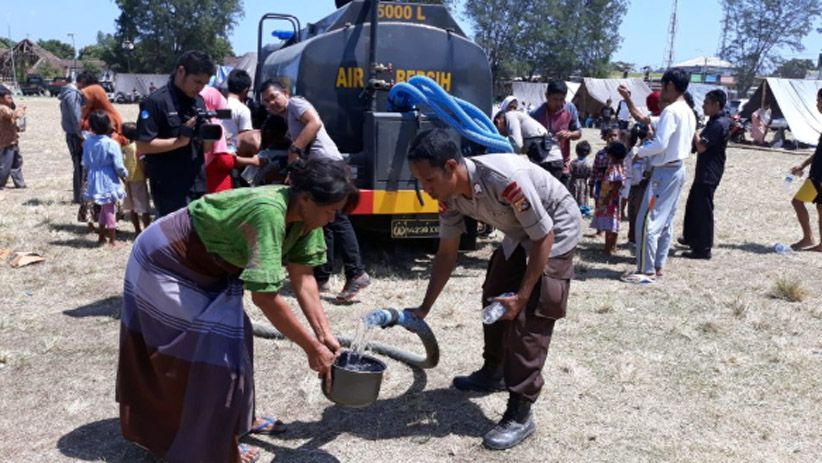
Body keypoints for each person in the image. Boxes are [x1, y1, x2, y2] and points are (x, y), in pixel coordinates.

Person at [117, 157, 356, 463]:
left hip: (209, 266)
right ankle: (214, 441)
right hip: (166, 261)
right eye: (330, 211)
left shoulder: (309, 218)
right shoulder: (268, 212)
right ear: (307, 198)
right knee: (212, 355)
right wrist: (311, 348)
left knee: (238, 337)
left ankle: (240, 420)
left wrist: (324, 335)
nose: (332, 219)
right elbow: (265, 298)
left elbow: (304, 277)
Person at [406, 129, 581, 450]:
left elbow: (544, 237)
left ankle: (520, 412)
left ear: (450, 167)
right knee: (495, 294)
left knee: (530, 315)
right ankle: (494, 371)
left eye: (428, 180)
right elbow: (447, 253)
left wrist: (522, 297)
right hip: (520, 231)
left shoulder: (503, 180)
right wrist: (425, 307)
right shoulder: (448, 196)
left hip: (555, 227)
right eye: (420, 181)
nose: (425, 189)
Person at [259, 79, 370, 302]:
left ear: (285, 93)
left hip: (328, 165)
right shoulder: (288, 117)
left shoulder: (296, 104)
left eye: (273, 97)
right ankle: (321, 276)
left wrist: (294, 149)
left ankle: (356, 273)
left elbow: (315, 123)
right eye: (266, 102)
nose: (271, 103)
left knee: (337, 219)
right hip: (319, 167)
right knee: (323, 222)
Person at [622, 68, 696, 284]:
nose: (661, 91)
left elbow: (661, 143)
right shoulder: (688, 111)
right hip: (677, 169)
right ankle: (658, 265)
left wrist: (639, 152)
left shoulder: (671, 111)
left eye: (662, 86)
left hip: (664, 172)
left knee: (648, 220)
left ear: (670, 85)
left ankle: (646, 271)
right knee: (665, 220)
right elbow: (650, 123)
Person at [136, 50, 213, 217]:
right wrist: (179, 142)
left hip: (197, 183)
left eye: (204, 84)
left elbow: (205, 149)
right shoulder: (156, 102)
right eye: (197, 81)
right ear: (181, 71)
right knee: (175, 232)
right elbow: (142, 145)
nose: (200, 88)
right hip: (169, 187)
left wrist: (208, 136)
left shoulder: (198, 101)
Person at [679, 89, 731, 259]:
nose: (703, 106)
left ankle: (703, 248)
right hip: (705, 170)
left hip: (709, 172)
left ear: (716, 104)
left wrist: (693, 130)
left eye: (707, 103)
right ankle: (691, 238)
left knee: (703, 209)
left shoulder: (718, 124)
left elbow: (701, 147)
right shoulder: (716, 121)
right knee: (694, 204)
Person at [200, 86, 259, 193]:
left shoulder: (196, 123)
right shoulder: (215, 125)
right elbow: (224, 161)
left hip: (200, 181)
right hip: (217, 185)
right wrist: (251, 161)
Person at [82, 111, 128, 246]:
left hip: (94, 177)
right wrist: (125, 174)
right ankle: (112, 240)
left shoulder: (88, 142)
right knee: (110, 210)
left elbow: (86, 162)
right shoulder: (111, 144)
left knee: (104, 208)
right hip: (108, 178)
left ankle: (102, 236)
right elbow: (119, 166)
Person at [530, 81, 582, 188]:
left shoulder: (570, 108)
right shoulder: (536, 114)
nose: (558, 103)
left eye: (562, 99)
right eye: (555, 99)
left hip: (563, 164)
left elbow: (578, 133)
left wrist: (569, 134)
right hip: (542, 164)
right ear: (546, 96)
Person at [787, 88, 822, 252]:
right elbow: (819, 152)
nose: (816, 104)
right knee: (818, 208)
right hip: (816, 174)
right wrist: (803, 165)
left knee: (798, 202)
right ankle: (814, 241)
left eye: (818, 101)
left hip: (819, 176)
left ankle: (809, 239)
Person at [493, 108, 560, 176]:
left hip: (549, 162)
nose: (501, 135)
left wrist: (500, 158)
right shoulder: (521, 122)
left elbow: (517, 144)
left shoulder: (510, 115)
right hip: (552, 160)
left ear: (498, 122)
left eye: (498, 131)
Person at [591, 141, 627, 254]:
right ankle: (612, 247)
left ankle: (608, 248)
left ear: (611, 155)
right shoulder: (618, 167)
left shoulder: (614, 168)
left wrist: (608, 197)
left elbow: (617, 184)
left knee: (610, 225)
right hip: (611, 199)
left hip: (610, 201)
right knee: (612, 225)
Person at [120, 122, 152, 235]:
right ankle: (147, 231)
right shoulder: (139, 147)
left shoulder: (125, 149)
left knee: (132, 208)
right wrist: (146, 172)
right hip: (139, 178)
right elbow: (142, 162)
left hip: (128, 179)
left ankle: (137, 230)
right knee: (144, 207)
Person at [624, 123, 650, 247]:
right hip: (633, 183)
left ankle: (639, 238)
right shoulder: (636, 149)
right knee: (632, 211)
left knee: (639, 211)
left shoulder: (651, 148)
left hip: (643, 183)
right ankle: (632, 237)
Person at [59, 79, 85, 203]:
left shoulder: (67, 94)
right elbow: (76, 117)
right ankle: (79, 197)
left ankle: (80, 195)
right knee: (80, 165)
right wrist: (81, 135)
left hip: (72, 134)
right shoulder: (73, 95)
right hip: (75, 135)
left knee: (79, 165)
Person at [0, 85, 26, 190]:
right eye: (8, 97)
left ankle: (20, 183)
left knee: (16, 163)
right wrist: (21, 109)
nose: (11, 98)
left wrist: (17, 129)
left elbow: (10, 122)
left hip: (12, 140)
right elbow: (13, 115)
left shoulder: (7, 107)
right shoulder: (2, 108)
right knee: (5, 165)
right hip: (5, 142)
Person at [223, 69, 254, 150]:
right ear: (245, 90)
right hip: (232, 152)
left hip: (214, 151)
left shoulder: (218, 103)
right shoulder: (243, 109)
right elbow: (246, 139)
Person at [568, 140, 593, 217]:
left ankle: (574, 209)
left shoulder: (573, 162)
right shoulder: (588, 163)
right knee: (583, 195)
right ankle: (584, 210)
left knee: (574, 194)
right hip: (584, 182)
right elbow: (591, 173)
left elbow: (570, 172)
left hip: (574, 181)